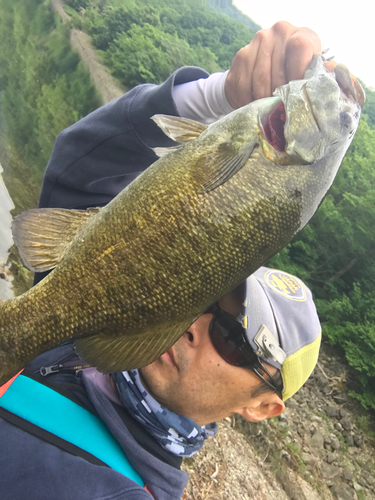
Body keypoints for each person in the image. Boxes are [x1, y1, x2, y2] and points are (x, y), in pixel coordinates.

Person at [0, 21, 322, 500]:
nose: (194, 326)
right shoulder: (79, 325)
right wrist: (217, 96)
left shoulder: (124, 492)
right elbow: (80, 163)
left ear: (263, 407)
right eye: (207, 296)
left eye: (233, 339)